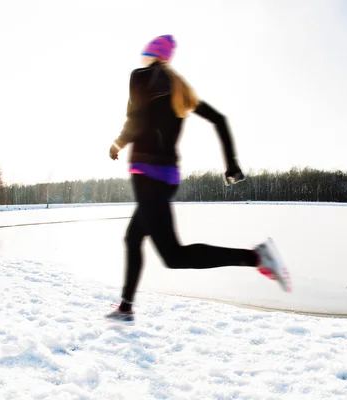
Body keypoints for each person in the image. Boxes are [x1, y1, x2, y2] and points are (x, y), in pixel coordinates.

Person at [105, 35, 290, 323]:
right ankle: (126, 307)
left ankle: (257, 257)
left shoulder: (141, 76)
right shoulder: (180, 88)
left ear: (150, 54)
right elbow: (219, 119)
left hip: (147, 172)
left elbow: (135, 119)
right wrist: (231, 164)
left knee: (173, 256)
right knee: (133, 238)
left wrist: (117, 144)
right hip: (166, 178)